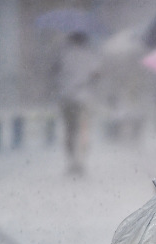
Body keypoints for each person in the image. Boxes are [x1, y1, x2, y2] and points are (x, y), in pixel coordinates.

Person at [53, 31, 103, 176]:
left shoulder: (63, 55)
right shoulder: (89, 54)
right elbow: (97, 73)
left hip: (66, 97)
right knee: (83, 130)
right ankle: (80, 161)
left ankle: (71, 161)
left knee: (69, 130)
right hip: (83, 97)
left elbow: (55, 72)